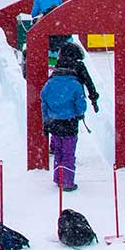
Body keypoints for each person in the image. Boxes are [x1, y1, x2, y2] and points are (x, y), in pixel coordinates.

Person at [41, 63, 87, 192]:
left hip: (54, 122)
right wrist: (79, 113)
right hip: (69, 122)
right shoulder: (75, 85)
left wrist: (47, 119)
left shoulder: (49, 84)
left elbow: (44, 102)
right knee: (68, 152)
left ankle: (58, 177)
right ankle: (67, 181)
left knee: (58, 151)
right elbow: (81, 103)